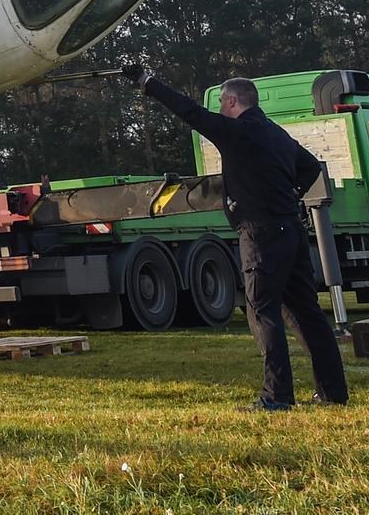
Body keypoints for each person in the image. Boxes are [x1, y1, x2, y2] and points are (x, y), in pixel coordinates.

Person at [134, 71, 348, 409]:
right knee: (307, 313)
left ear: (233, 102)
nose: (219, 108)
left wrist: (150, 85)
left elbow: (190, 112)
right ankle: (333, 392)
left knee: (263, 312)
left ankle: (276, 396)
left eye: (221, 102)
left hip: (260, 233)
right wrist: (292, 195)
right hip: (290, 229)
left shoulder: (237, 133)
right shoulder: (277, 135)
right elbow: (310, 168)